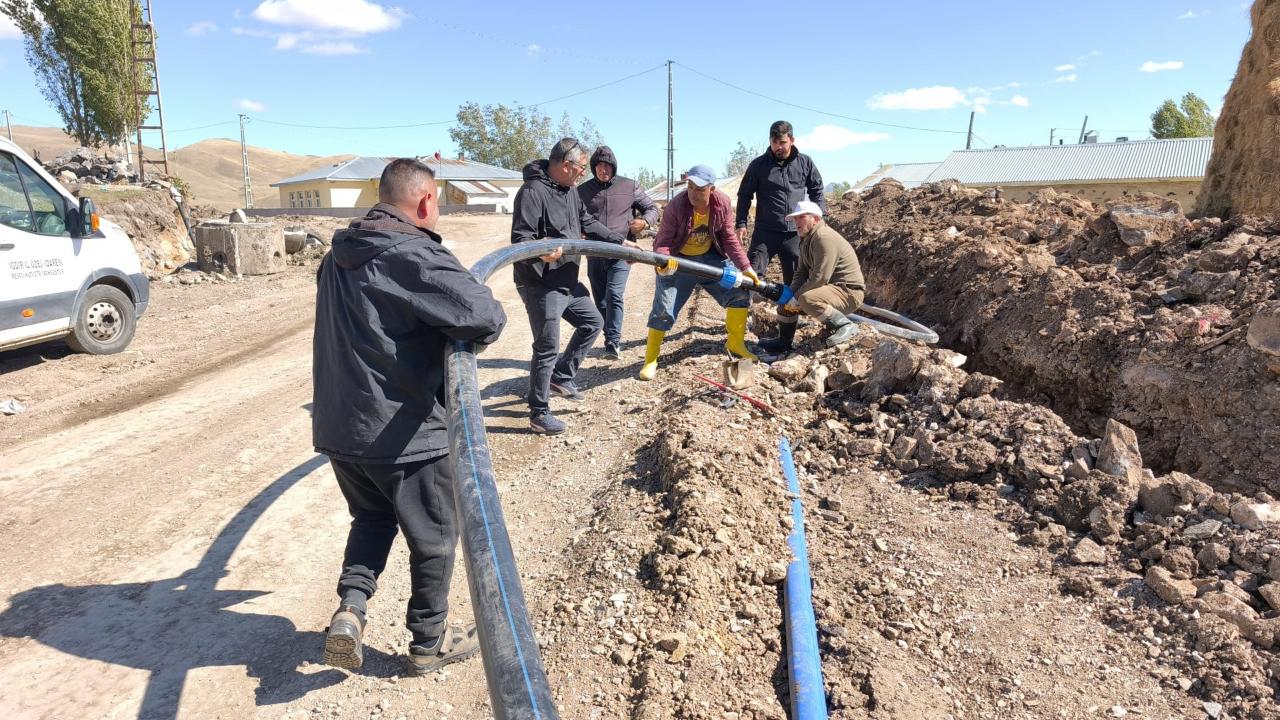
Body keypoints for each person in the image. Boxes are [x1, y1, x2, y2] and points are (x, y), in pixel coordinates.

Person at [312, 158, 507, 677]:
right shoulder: (412, 254)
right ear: (425, 201)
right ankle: (428, 641)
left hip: (341, 428)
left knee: (372, 518)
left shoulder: (339, 255)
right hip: (403, 431)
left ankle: (351, 610)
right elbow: (485, 315)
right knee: (436, 536)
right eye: (437, 201)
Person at [512, 138, 630, 434]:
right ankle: (539, 413)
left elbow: (587, 222)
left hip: (566, 279)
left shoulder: (571, 192)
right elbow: (520, 240)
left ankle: (562, 376)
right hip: (540, 283)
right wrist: (540, 249)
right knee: (547, 346)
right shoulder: (532, 192)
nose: (583, 173)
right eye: (580, 167)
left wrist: (620, 242)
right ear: (565, 166)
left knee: (593, 322)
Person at [639, 164, 761, 381]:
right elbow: (663, 241)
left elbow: (729, 238)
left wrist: (746, 267)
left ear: (712, 189)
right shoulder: (677, 206)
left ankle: (735, 343)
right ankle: (651, 359)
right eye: (691, 187)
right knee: (664, 308)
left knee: (740, 292)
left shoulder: (722, 203)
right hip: (679, 261)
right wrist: (663, 261)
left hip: (710, 259)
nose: (694, 193)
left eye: (700, 189)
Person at [735, 120, 825, 353]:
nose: (779, 147)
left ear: (792, 140)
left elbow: (817, 189)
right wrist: (741, 223)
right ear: (770, 142)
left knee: (795, 280)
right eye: (775, 142)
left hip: (795, 233)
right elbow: (744, 195)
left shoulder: (805, 163)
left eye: (783, 142)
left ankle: (788, 329)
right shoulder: (759, 165)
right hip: (765, 230)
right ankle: (742, 319)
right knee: (751, 274)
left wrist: (817, 215)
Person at [577, 145, 659, 360]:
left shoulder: (629, 186)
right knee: (601, 301)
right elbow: (574, 218)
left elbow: (652, 208)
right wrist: (578, 232)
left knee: (614, 295)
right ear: (593, 168)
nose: (603, 170)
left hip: (622, 252)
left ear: (614, 167)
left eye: (607, 166)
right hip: (594, 253)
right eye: (599, 166)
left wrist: (645, 222)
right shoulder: (582, 191)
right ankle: (608, 337)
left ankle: (613, 340)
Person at [760, 200, 864, 359]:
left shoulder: (823, 237)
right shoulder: (807, 239)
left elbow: (820, 277)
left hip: (848, 292)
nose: (796, 222)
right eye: (795, 218)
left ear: (815, 219)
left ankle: (845, 325)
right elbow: (801, 272)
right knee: (784, 299)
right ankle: (784, 342)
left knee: (807, 299)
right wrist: (790, 295)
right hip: (831, 289)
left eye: (801, 217)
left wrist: (796, 298)